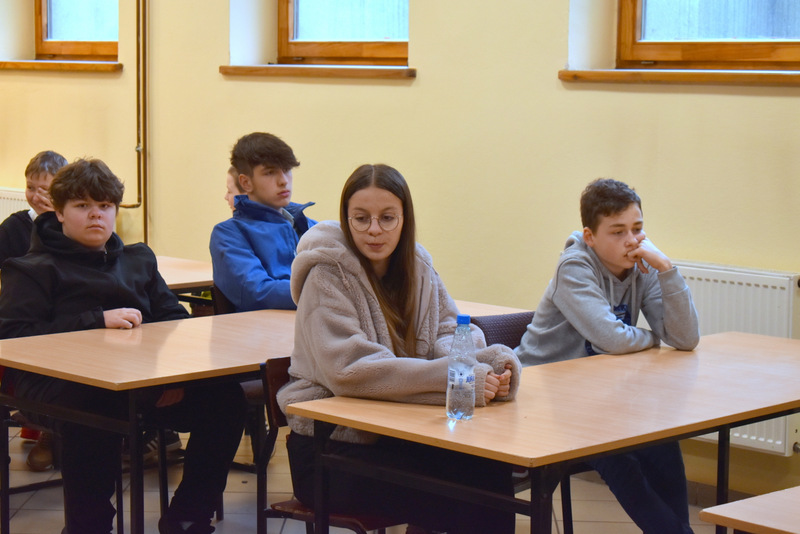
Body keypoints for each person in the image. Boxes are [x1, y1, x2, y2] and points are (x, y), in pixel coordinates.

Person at [0, 158, 248, 534]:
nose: (96, 214)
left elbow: (174, 321)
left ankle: (187, 516)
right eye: (82, 206)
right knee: (91, 410)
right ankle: (90, 526)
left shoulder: (138, 260)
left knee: (225, 399)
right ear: (60, 213)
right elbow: (15, 337)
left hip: (138, 379)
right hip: (57, 384)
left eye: (105, 205)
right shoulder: (31, 269)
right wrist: (96, 320)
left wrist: (172, 376)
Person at [278, 163, 522, 534]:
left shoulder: (419, 267)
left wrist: (481, 368)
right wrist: (455, 378)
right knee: (468, 487)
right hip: (330, 446)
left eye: (387, 218)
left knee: (487, 468)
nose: (374, 229)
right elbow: (351, 371)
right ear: (346, 219)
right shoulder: (326, 274)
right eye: (361, 218)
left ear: (404, 219)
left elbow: (448, 331)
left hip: (397, 433)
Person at [515, 178, 700, 534]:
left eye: (638, 229)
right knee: (616, 453)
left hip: (597, 398)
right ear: (590, 236)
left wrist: (665, 267)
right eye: (618, 231)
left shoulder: (643, 266)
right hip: (542, 399)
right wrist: (652, 338)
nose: (632, 240)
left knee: (660, 438)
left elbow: (686, 338)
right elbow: (611, 339)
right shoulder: (574, 267)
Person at [0, 149, 67, 472]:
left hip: (64, 319)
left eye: (45, 189)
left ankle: (54, 431)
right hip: (24, 318)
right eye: (30, 187)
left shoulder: (73, 225)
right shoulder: (14, 227)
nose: (36, 196)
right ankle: (41, 424)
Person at [209, 132, 316, 311]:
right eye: (270, 173)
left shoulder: (312, 228)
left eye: (287, 170)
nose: (283, 181)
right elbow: (257, 293)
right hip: (264, 327)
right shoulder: (229, 234)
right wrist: (320, 294)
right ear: (246, 182)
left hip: (316, 322)